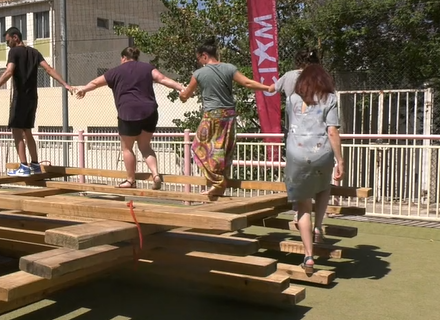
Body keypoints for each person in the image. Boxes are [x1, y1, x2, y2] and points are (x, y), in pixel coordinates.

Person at [75, 47, 184, 190]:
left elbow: (96, 82)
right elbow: (162, 79)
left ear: (123, 58)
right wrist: (181, 87)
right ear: (136, 58)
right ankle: (156, 174)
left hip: (128, 112)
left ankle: (131, 180)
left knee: (127, 148)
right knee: (145, 146)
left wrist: (83, 89)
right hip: (149, 112)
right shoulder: (147, 68)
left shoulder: (115, 71)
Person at [179, 38, 276, 197]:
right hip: (229, 115)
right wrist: (267, 87)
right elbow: (247, 83)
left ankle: (217, 182)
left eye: (198, 59)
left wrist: (182, 96)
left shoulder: (199, 73)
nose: (199, 62)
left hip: (212, 115)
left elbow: (186, 94)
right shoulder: (229, 68)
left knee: (198, 147)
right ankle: (218, 185)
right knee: (223, 149)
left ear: (204, 56)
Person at [0, 27, 72, 177]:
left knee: (16, 130)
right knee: (27, 131)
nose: (7, 44)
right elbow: (49, 69)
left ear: (15, 37)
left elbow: (9, 71)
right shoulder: (34, 53)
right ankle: (35, 165)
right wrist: (66, 85)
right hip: (32, 98)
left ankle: (24, 166)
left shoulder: (14, 52)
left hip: (20, 98)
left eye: (8, 40)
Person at [283, 63, 345, 275]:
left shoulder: (291, 100)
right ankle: (318, 226)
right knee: (324, 186)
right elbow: (332, 132)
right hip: (321, 154)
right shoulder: (330, 99)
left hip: (296, 155)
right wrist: (340, 160)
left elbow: (290, 126)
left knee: (303, 206)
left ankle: (308, 257)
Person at [276, 49, 321, 216]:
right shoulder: (317, 77)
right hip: (314, 128)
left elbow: (272, 88)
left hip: (293, 129)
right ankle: (311, 199)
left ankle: (297, 204)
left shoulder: (288, 76)